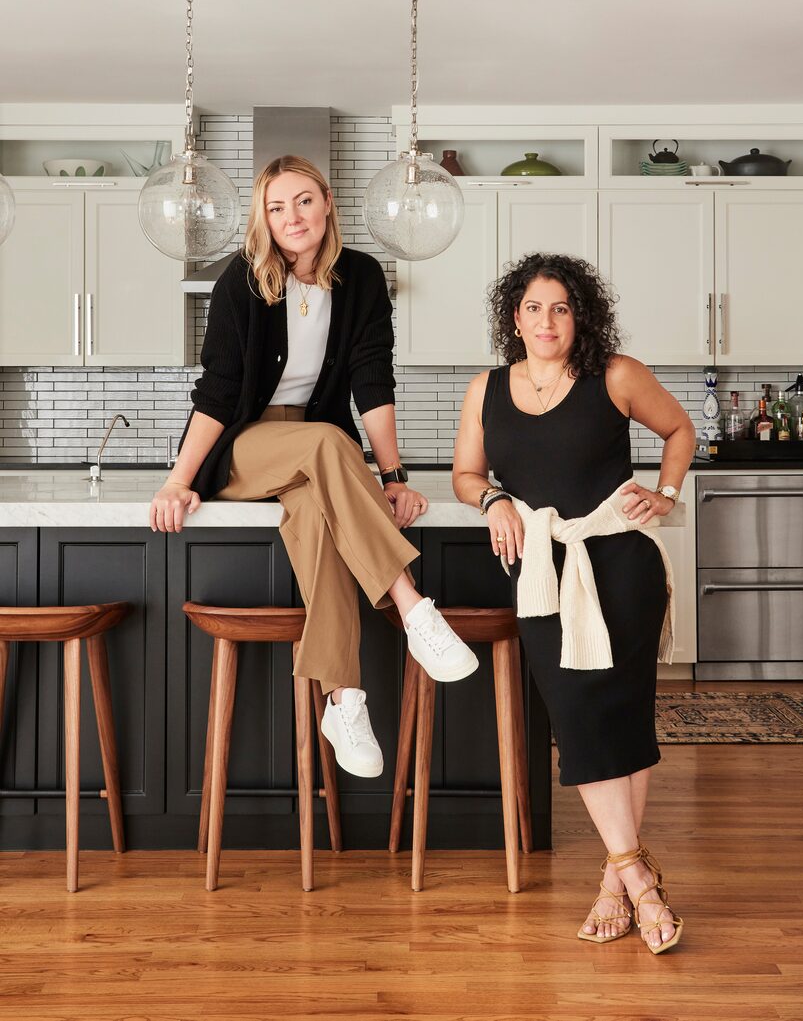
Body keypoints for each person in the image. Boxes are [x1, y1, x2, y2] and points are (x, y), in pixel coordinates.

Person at [150, 155, 478, 779]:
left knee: (322, 533)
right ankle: (412, 607)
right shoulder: (241, 282)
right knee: (330, 442)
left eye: (302, 201)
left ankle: (344, 699)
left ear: (327, 203)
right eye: (276, 207)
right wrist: (178, 479)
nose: (291, 216)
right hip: (248, 445)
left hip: (318, 452)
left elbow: (372, 382)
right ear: (263, 219)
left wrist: (394, 477)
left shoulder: (361, 277)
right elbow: (217, 393)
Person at [453, 252, 695, 955]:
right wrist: (495, 498)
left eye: (561, 306)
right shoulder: (486, 390)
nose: (547, 319)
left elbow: (679, 431)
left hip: (621, 564)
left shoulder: (615, 375)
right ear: (514, 317)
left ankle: (615, 887)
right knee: (577, 714)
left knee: (622, 717)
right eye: (533, 306)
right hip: (540, 572)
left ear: (579, 314)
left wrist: (668, 493)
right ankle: (639, 878)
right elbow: (467, 474)